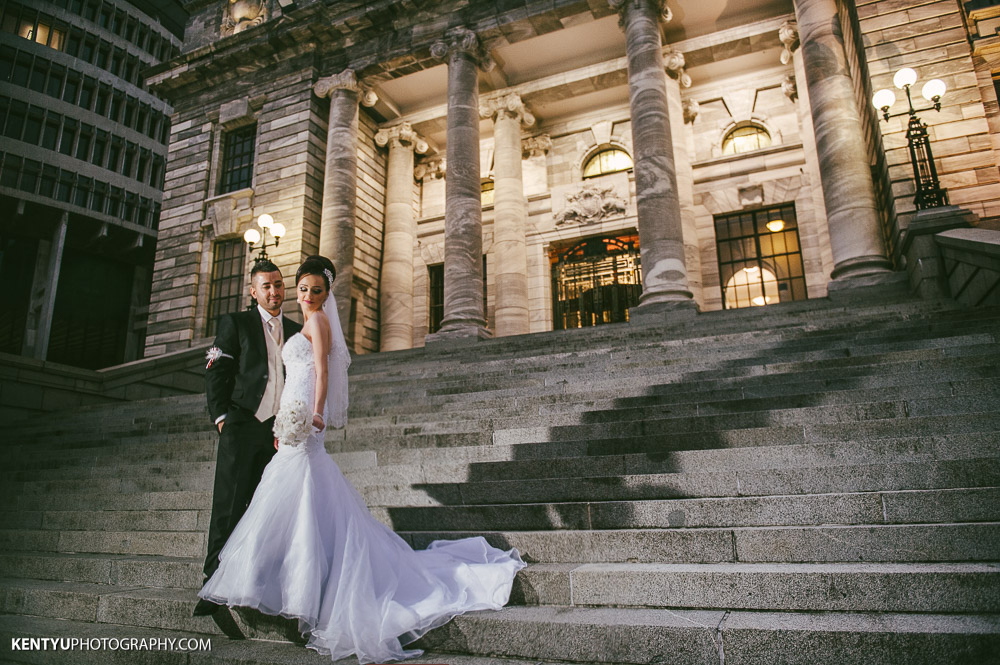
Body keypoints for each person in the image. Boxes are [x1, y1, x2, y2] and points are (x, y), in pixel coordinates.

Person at [198, 255, 525, 664]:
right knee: (250, 504)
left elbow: (320, 370)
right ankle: (226, 583)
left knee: (296, 506)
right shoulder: (269, 324)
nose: (298, 294)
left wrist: (314, 414)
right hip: (265, 427)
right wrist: (226, 416)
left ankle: (300, 591)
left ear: (324, 292)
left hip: (297, 427)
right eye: (295, 287)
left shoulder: (312, 324)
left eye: (310, 289)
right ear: (256, 289)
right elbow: (232, 369)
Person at [194, 260, 302, 617]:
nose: (274, 292)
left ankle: (251, 579)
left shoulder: (295, 330)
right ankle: (212, 584)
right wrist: (222, 417)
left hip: (276, 435)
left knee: (261, 509)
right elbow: (217, 369)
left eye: (278, 285)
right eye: (266, 286)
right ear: (253, 291)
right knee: (229, 505)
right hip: (241, 426)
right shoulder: (236, 323)